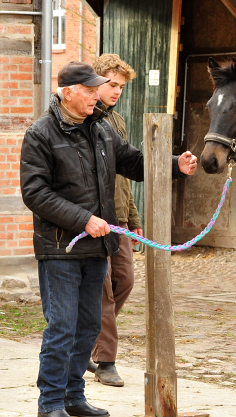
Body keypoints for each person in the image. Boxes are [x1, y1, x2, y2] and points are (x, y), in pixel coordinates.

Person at [20, 61, 197, 417]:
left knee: (88, 326)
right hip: (60, 249)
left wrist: (175, 164)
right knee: (62, 326)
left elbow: (133, 162)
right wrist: (82, 219)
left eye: (95, 88)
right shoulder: (40, 133)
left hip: (99, 247)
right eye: (89, 89)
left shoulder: (101, 128)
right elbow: (35, 192)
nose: (96, 95)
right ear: (68, 92)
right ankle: (49, 402)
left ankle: (73, 396)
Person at [86, 54, 140, 387]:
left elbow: (124, 176)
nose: (117, 91)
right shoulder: (86, 119)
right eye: (112, 84)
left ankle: (88, 339)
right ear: (97, 81)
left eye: (121, 86)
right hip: (94, 220)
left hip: (119, 217)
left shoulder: (117, 122)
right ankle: (105, 361)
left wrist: (133, 218)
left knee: (126, 280)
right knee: (102, 290)